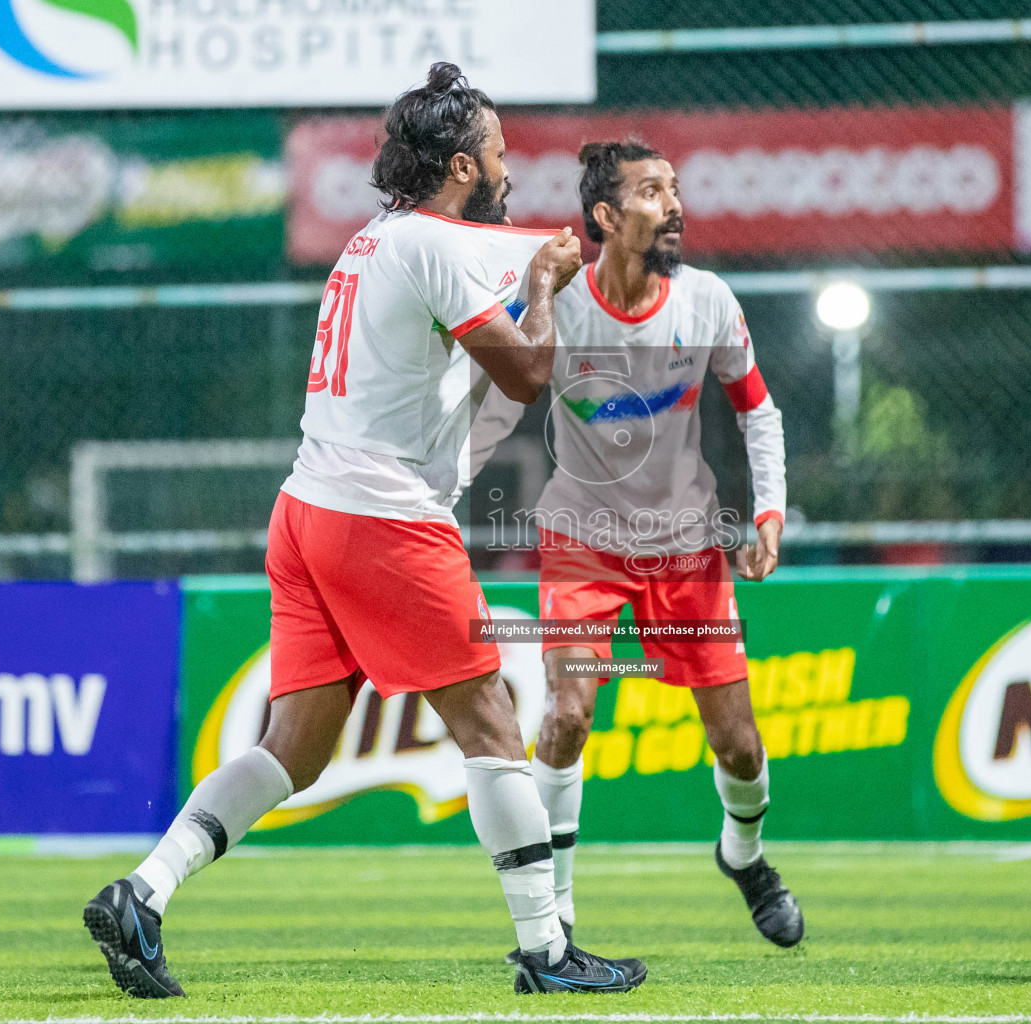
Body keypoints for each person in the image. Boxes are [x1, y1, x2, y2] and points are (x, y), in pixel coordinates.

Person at [81, 64, 647, 998]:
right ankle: (548, 954)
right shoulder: (437, 243)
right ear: (463, 164)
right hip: (380, 516)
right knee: (492, 723)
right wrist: (546, 282)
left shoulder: (375, 238)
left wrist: (541, 272)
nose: (510, 170)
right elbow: (526, 376)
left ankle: (144, 891)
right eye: (500, 153)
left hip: (305, 509)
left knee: (294, 747)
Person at [465, 139, 803, 952]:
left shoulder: (710, 301)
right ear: (607, 217)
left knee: (740, 746)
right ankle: (556, 920)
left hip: (687, 547)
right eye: (653, 191)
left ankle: (744, 855)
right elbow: (495, 402)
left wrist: (770, 515)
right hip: (582, 538)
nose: (675, 204)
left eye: (676, 188)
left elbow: (757, 409)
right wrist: (436, 489)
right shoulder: (563, 301)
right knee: (569, 717)